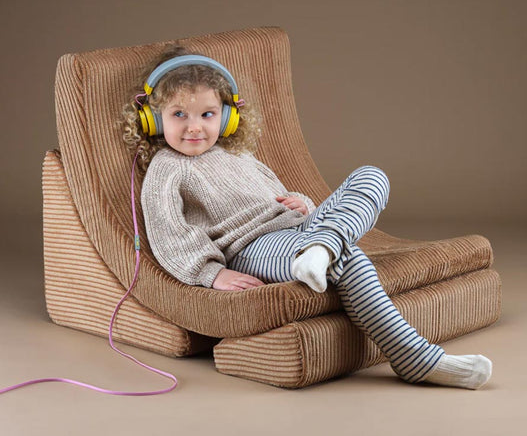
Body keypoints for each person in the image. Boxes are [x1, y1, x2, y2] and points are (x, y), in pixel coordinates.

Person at [121, 44, 492, 390]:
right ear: (154, 119)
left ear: (228, 116)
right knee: (350, 258)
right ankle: (416, 358)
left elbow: (277, 197)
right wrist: (211, 273)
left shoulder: (238, 155)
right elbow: (170, 235)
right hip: (253, 248)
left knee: (372, 175)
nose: (195, 126)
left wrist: (301, 203)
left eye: (207, 114)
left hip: (297, 230)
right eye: (179, 115)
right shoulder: (167, 169)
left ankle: (322, 248)